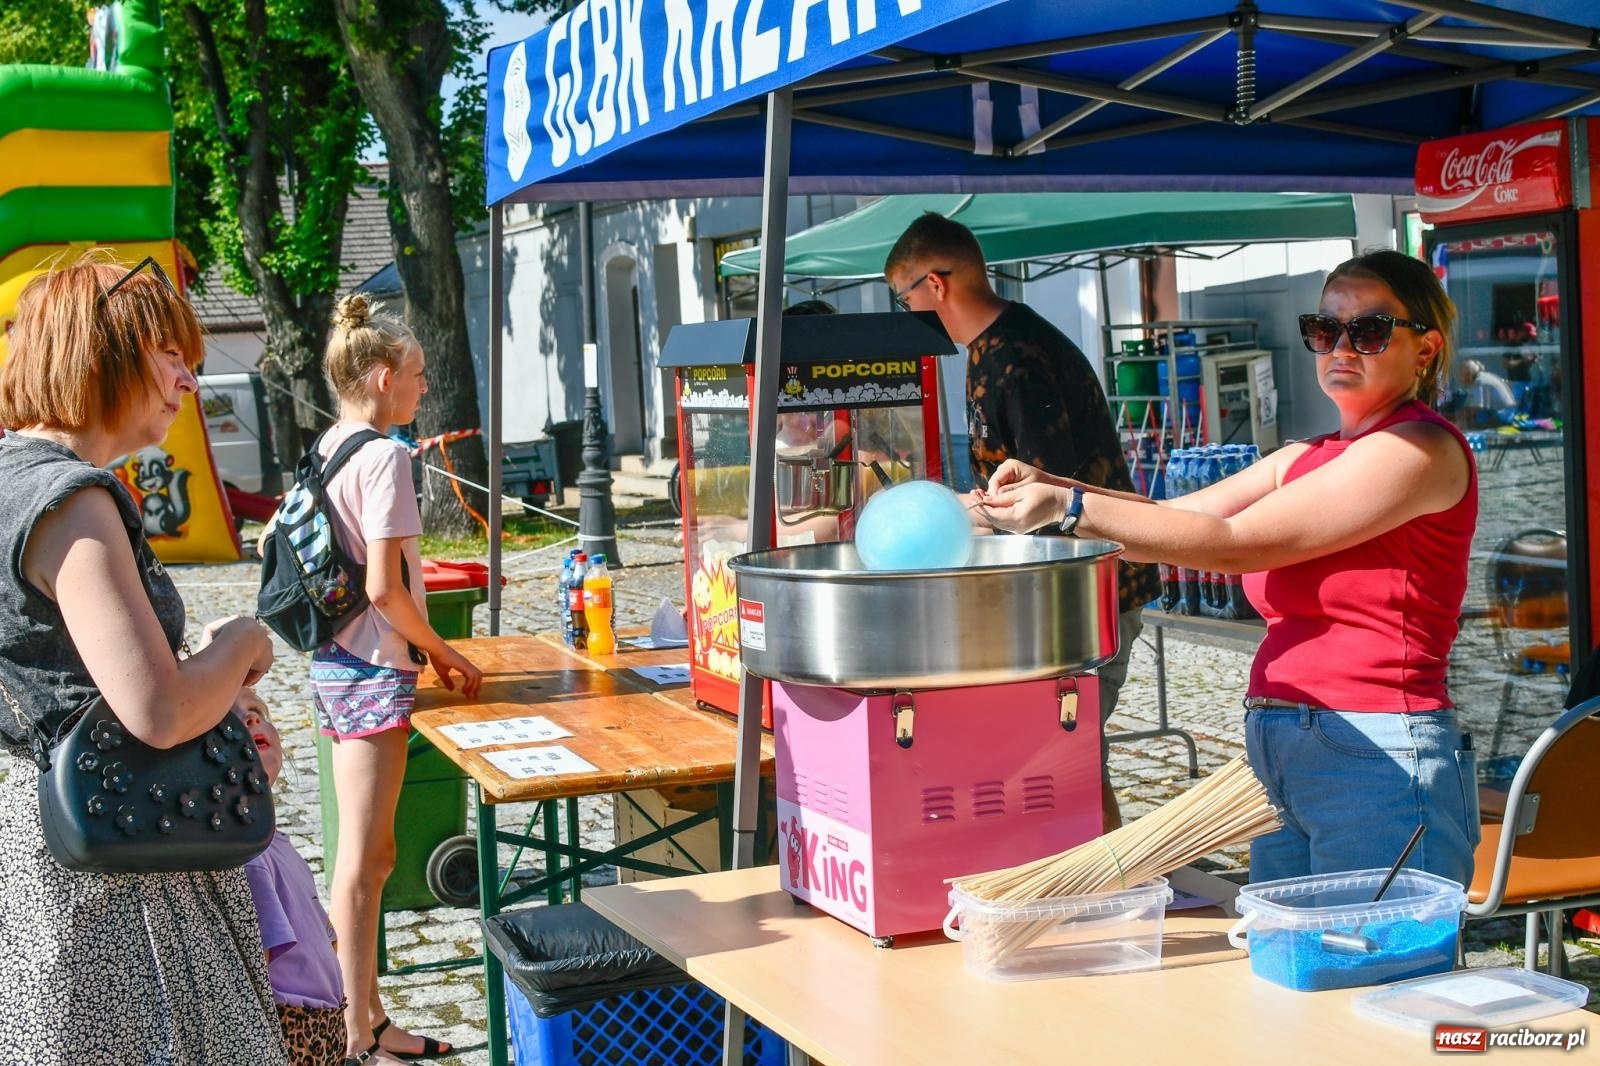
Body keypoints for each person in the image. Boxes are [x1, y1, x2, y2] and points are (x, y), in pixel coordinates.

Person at [973, 249, 1479, 887]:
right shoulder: (1308, 454)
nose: (1340, 347)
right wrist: (1047, 488)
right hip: (1290, 741)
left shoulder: (1418, 449)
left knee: (1368, 970)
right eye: (1324, 329)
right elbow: (1169, 520)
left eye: (1369, 330)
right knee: (1291, 970)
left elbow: (1231, 542)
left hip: (1375, 748)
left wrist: (1070, 508)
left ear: (1425, 348)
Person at [0, 256, 286, 1063]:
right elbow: (155, 711)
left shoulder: (11, 480)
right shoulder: (70, 499)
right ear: (103, 351)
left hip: (60, 841)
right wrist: (238, 648)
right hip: (122, 870)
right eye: (170, 355)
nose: (188, 381)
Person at [884, 212, 1161, 832]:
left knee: (1069, 752)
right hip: (1067, 595)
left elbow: (1048, 497)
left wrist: (964, 511)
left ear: (935, 285)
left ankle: (1115, 885)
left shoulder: (1017, 358)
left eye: (903, 299)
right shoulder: (994, 348)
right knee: (1063, 751)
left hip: (1090, 596)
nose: (905, 314)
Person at [314, 294, 483, 1064]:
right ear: (383, 377)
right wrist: (445, 653)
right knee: (363, 859)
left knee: (372, 855)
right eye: (415, 376)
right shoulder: (385, 457)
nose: (423, 389)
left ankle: (370, 1014)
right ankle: (354, 1030)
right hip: (374, 665)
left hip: (339, 660)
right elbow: (388, 589)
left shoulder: (332, 444)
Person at [236, 688, 347, 1066]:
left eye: (256, 711)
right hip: (293, 1025)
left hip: (324, 1021)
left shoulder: (275, 840)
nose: (252, 720)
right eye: (231, 719)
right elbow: (261, 959)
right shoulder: (250, 857)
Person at [1458, 359, 1517, 427]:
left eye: (1462, 375)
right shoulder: (1483, 376)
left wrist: (1453, 417)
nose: (1461, 379)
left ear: (1468, 374)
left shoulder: (1479, 381)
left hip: (1503, 416)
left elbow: (1474, 409)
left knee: (1470, 423)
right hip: (1507, 413)